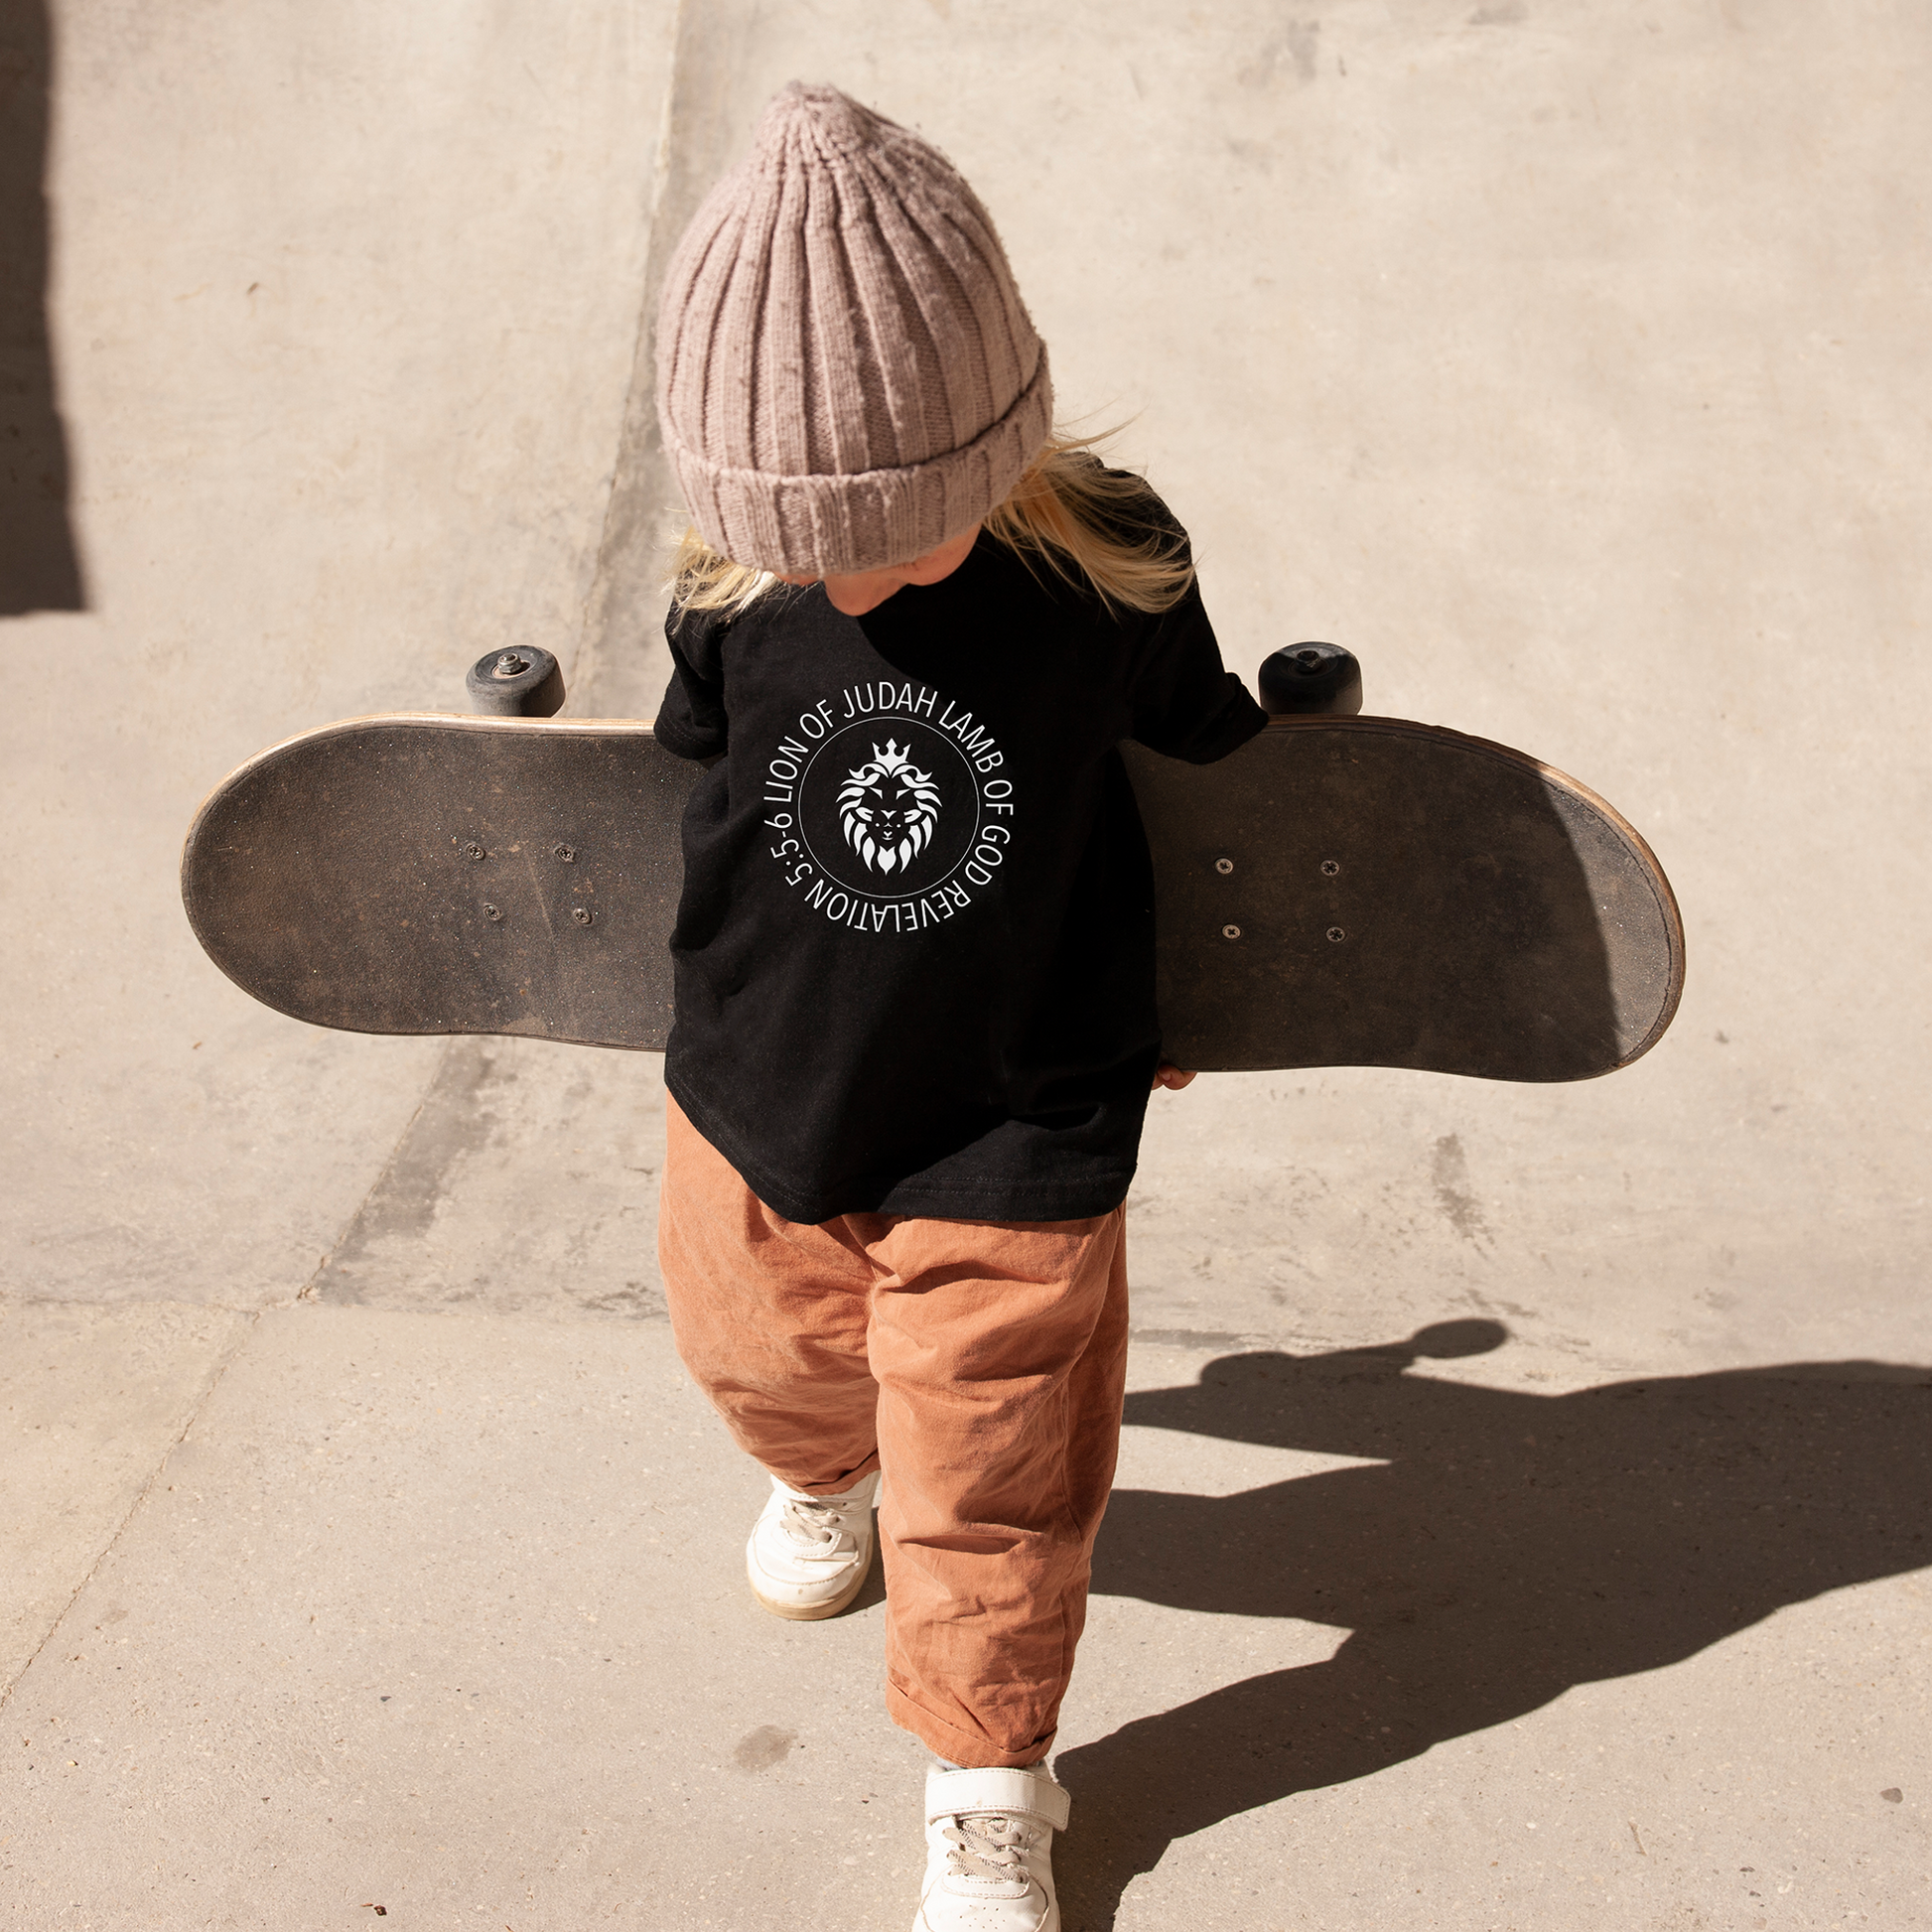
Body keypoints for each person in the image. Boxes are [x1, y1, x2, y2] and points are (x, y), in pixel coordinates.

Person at [649, 81, 1267, 1931]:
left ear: (992, 450)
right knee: (762, 1361)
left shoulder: (1106, 563)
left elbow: (1207, 763)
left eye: (895, 533)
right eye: (804, 540)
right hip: (763, 1086)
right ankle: (825, 1470)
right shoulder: (731, 591)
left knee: (993, 1469)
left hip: (1024, 1109)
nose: (847, 574)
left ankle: (989, 1773)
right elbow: (684, 781)